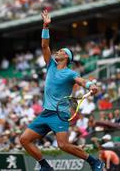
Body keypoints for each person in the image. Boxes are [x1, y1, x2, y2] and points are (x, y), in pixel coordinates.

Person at [19, 10, 104, 171]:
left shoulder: (70, 73)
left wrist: (90, 85)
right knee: (24, 139)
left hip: (59, 114)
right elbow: (45, 45)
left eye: (61, 51)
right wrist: (45, 26)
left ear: (66, 57)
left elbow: (81, 80)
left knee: (63, 145)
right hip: (46, 113)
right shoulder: (50, 64)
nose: (57, 52)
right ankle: (45, 166)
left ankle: (94, 161)